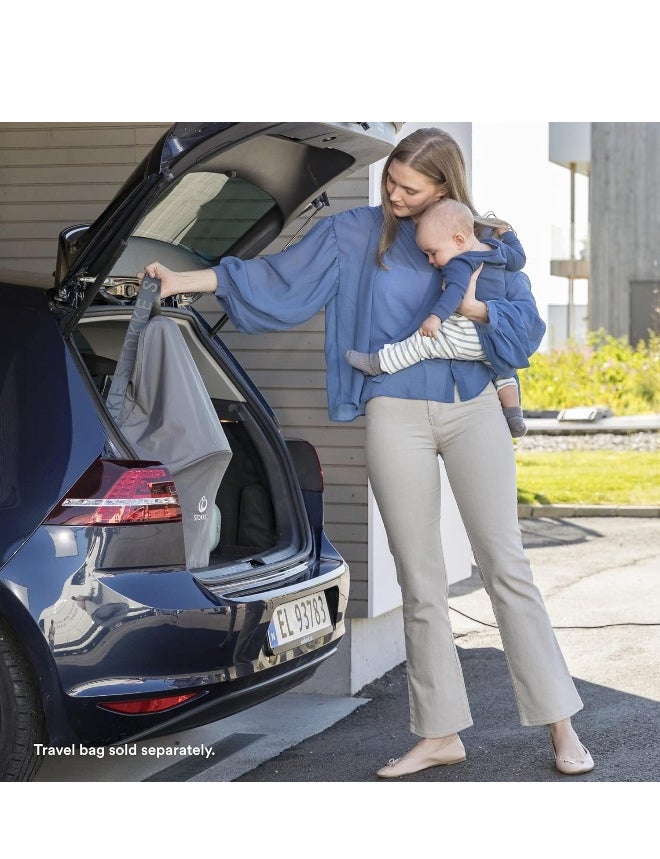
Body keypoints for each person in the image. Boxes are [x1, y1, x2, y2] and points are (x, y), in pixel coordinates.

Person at [141, 126, 594, 779]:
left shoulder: (482, 238)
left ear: (445, 185)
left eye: (411, 187)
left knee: (506, 565)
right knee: (420, 577)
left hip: (472, 409)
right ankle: (440, 733)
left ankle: (562, 727)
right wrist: (184, 277)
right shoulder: (353, 234)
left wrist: (473, 304)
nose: (395, 194)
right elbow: (275, 277)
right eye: (391, 181)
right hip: (395, 413)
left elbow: (523, 332)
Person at [345, 197, 530, 437]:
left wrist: (435, 318)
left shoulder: (460, 262)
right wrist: (507, 234)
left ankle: (380, 363)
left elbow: (455, 294)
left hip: (467, 331)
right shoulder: (497, 251)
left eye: (433, 253)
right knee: (502, 369)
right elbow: (520, 258)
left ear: (459, 241)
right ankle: (513, 412)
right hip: (493, 334)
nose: (432, 261)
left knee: (423, 343)